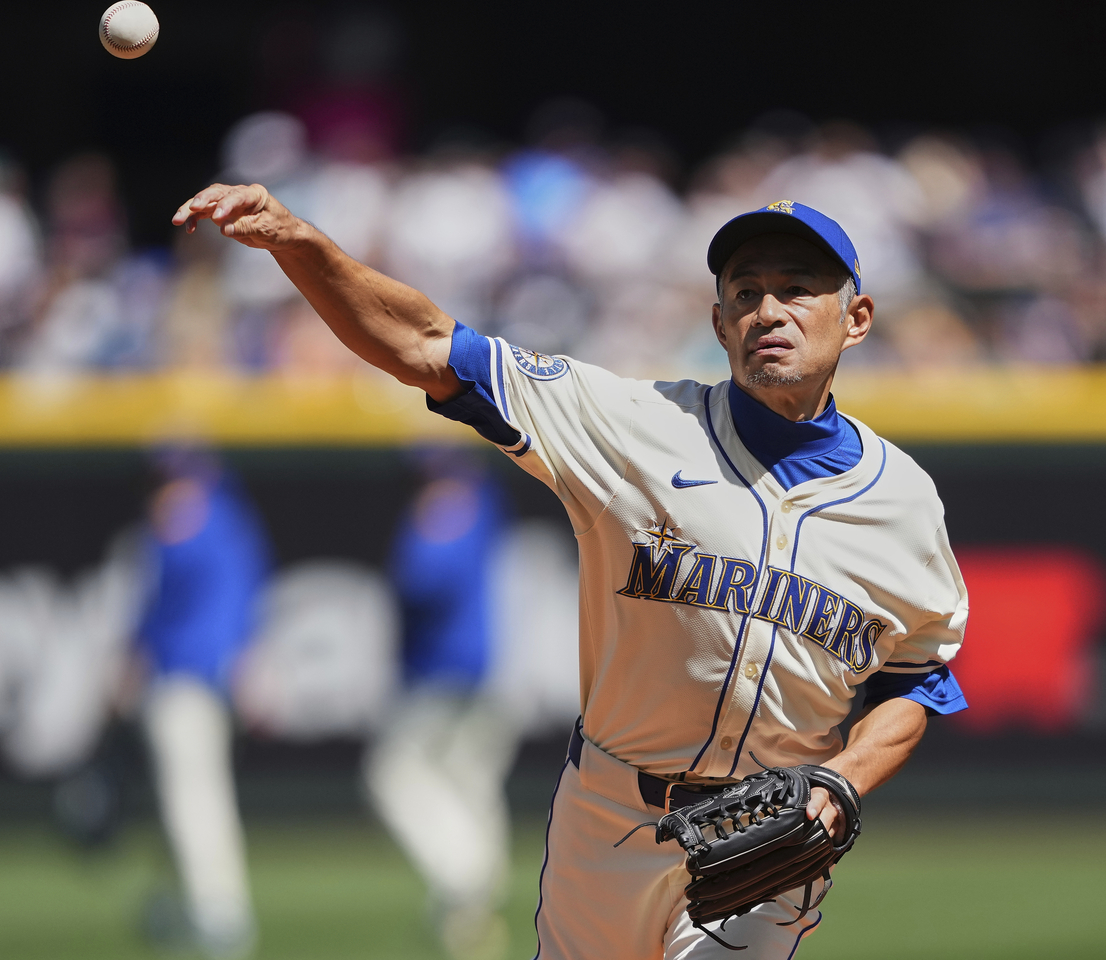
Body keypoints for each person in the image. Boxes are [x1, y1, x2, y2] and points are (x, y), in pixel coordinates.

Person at [171, 185, 969, 959]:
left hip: (769, 835)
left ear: (855, 318)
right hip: (608, 819)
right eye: (747, 293)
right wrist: (302, 244)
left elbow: (917, 679)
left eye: (798, 290)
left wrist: (844, 781)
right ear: (719, 323)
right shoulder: (632, 426)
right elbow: (425, 346)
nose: (770, 311)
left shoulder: (902, 504)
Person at [365, 448, 519, 960]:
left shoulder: (441, 516)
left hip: (443, 675)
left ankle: (464, 882)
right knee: (468, 783)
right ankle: (476, 906)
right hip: (487, 671)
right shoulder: (484, 502)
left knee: (392, 777)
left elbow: (419, 582)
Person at [132, 448, 270, 958]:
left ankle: (219, 914)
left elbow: (158, 602)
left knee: (194, 799)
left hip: (186, 679)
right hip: (206, 678)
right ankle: (176, 904)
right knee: (185, 798)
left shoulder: (186, 522)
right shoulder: (233, 520)